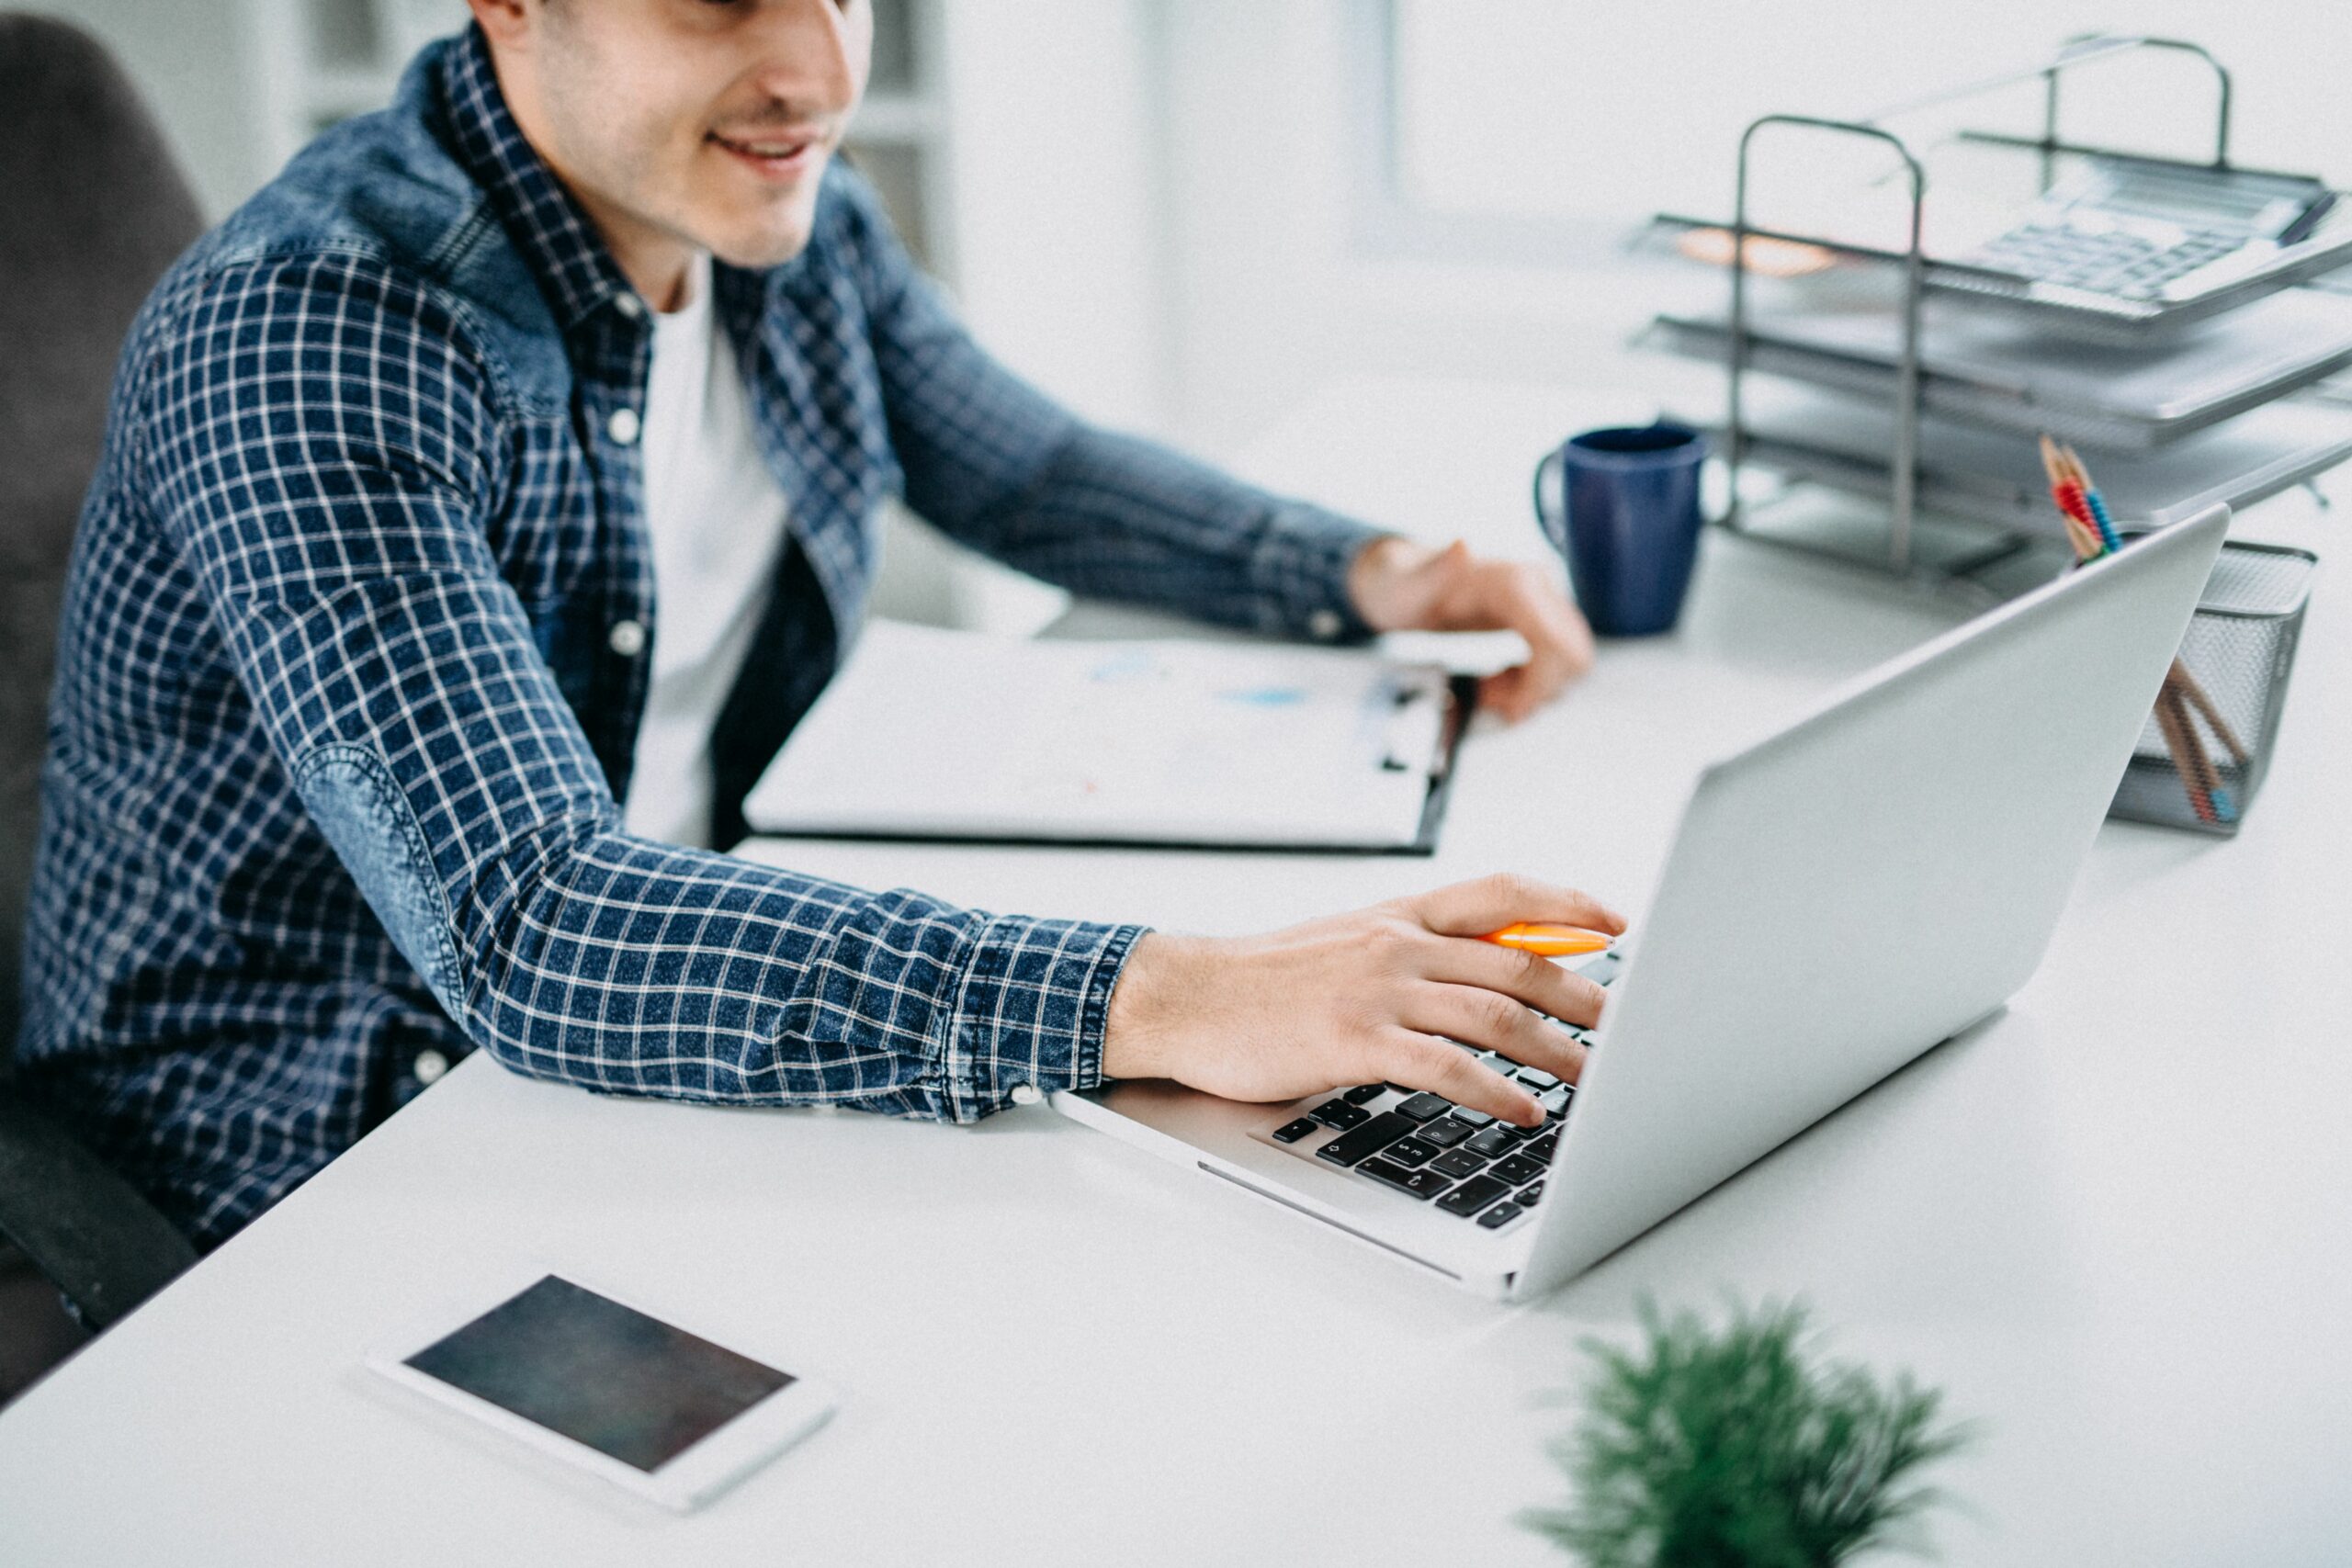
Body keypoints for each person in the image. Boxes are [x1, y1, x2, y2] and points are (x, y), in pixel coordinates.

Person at [17, 0, 1620, 1251]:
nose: (814, 71)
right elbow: (529, 925)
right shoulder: (320, 333)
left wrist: (1369, 570)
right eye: (719, 2)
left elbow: (1032, 473)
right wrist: (1182, 993)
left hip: (648, 1004)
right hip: (314, 1128)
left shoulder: (772, 206)